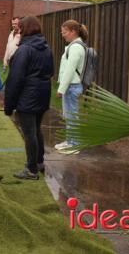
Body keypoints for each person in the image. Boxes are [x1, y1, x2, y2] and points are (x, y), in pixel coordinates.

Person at [4, 16, 54, 180]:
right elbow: (51, 71)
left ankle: (31, 169)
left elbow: (15, 79)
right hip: (43, 93)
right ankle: (39, 162)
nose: (18, 30)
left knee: (29, 132)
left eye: (20, 28)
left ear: (25, 29)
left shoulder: (24, 50)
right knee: (36, 129)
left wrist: (9, 105)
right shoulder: (46, 47)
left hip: (28, 95)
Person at [54, 19, 88, 155]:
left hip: (72, 86)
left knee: (72, 116)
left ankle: (74, 145)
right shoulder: (74, 46)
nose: (63, 35)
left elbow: (69, 70)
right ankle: (70, 141)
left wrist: (61, 89)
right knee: (69, 115)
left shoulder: (76, 47)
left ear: (73, 32)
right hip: (71, 86)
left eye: (65, 32)